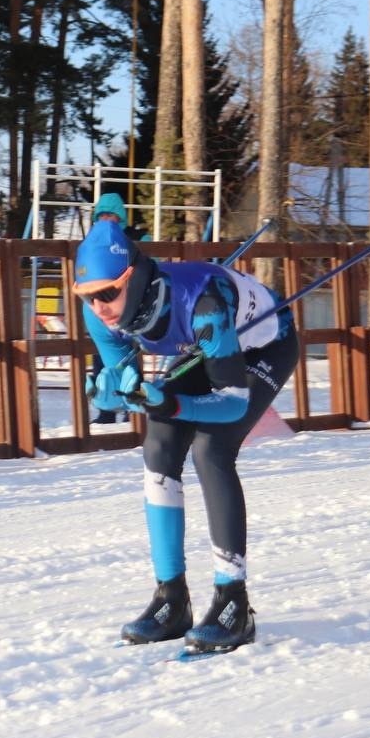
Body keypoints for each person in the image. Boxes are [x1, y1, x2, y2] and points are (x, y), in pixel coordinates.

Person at [73, 220, 299, 653]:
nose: (98, 307)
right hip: (208, 349)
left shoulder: (204, 305)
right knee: (157, 446)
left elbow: (232, 402)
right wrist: (110, 392)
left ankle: (233, 602)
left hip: (262, 347)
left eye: (107, 293)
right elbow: (123, 377)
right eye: (87, 296)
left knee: (212, 449)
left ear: (133, 278)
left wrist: (170, 404)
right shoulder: (100, 312)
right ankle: (171, 598)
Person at [87, 193, 142, 424]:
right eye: (103, 216)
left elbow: (149, 262)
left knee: (130, 355)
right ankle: (106, 409)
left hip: (128, 307)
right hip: (101, 310)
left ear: (121, 219)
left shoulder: (132, 239)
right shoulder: (92, 241)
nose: (107, 220)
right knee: (101, 358)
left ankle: (131, 405)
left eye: (112, 216)